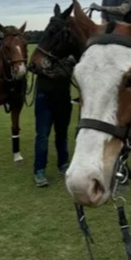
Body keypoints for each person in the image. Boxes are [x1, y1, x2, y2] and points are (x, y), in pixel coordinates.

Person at [33, 55, 76, 187]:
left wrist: (54, 72)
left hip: (63, 97)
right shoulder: (44, 48)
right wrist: (43, 70)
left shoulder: (70, 53)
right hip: (44, 97)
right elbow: (33, 65)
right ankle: (39, 170)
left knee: (62, 133)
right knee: (42, 135)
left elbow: (70, 69)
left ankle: (63, 163)